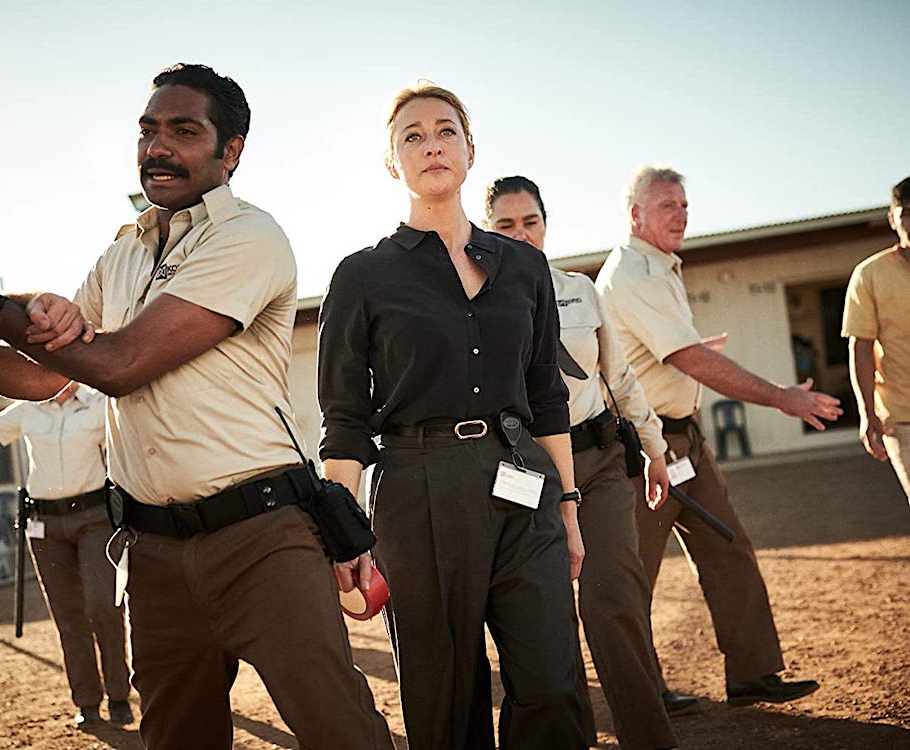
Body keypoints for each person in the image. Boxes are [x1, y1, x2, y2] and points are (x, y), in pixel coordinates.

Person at [0, 63, 393, 749]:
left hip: (261, 537)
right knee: (176, 737)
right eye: (147, 131)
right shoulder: (119, 256)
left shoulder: (249, 237)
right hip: (152, 549)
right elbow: (43, 380)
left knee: (338, 729)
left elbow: (120, 364)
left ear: (230, 151)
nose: (157, 147)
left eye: (183, 131)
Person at [318, 83, 586, 750]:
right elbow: (345, 418)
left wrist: (568, 507)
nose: (431, 144)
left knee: (553, 684)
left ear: (470, 151)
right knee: (446, 698)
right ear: (392, 162)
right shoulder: (362, 275)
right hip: (418, 488)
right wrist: (343, 532)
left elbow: (545, 393)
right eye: (412, 136)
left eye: (445, 131)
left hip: (523, 479)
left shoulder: (524, 267)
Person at [595, 164, 834, 707]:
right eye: (667, 205)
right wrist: (782, 397)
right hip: (644, 449)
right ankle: (641, 696)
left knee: (729, 548)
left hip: (687, 441)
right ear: (635, 214)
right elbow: (687, 358)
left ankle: (752, 673)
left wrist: (694, 352)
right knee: (633, 575)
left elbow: (669, 352)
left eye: (683, 204)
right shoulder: (632, 274)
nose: (680, 215)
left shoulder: (660, 267)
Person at [486, 175, 680, 749]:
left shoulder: (580, 291)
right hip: (527, 474)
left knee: (613, 597)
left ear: (546, 225)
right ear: (485, 231)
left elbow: (618, 376)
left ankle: (650, 737)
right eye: (505, 225)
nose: (521, 235)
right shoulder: (473, 304)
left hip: (597, 460)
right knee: (549, 618)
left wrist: (655, 449)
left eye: (531, 222)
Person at [0, 381, 134, 727]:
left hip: (94, 519)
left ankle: (119, 695)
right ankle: (87, 702)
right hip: (45, 524)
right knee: (68, 615)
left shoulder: (98, 403)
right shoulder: (28, 408)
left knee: (102, 605)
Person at [842, 176, 910, 503]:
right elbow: (861, 347)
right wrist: (868, 413)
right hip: (902, 416)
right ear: (892, 219)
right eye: (906, 212)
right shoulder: (869, 275)